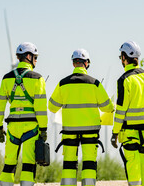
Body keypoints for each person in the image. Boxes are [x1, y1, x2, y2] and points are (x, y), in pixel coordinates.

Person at [48, 49, 114, 186]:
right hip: (90, 131)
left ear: (73, 64)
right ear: (87, 63)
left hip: (69, 132)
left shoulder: (63, 84)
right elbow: (107, 107)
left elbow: (52, 107)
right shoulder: (95, 84)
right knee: (89, 163)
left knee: (69, 164)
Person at [0, 42, 48, 186]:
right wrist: (43, 129)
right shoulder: (38, 79)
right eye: (35, 57)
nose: (36, 60)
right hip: (31, 127)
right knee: (29, 165)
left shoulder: (6, 78)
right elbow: (41, 108)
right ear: (28, 56)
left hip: (12, 128)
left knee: (9, 164)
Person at [111, 40, 144, 186]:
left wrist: (115, 133)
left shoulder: (124, 80)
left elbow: (121, 110)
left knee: (132, 163)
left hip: (129, 131)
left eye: (121, 57)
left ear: (125, 58)